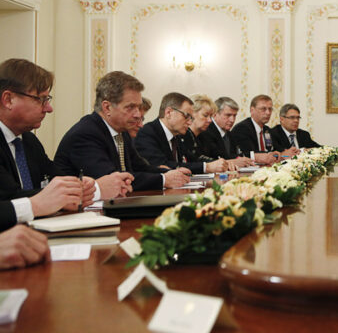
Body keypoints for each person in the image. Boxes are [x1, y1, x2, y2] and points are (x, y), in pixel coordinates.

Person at [0, 59, 132, 226]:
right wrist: (95, 189)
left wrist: (85, 186)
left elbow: (58, 177)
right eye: (41, 99)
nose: (49, 108)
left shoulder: (28, 140)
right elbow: (10, 198)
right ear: (8, 99)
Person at [55, 71, 190, 191]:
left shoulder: (121, 131)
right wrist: (164, 179)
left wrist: (172, 173)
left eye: (138, 107)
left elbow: (140, 167)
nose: (137, 115)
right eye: (130, 107)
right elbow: (114, 180)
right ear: (107, 107)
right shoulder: (86, 134)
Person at [135, 93, 228, 174]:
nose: (189, 122)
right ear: (168, 113)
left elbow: (192, 160)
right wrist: (206, 167)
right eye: (187, 116)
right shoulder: (147, 132)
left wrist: (218, 164)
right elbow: (161, 165)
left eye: (191, 118)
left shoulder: (176, 136)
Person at [196, 96, 253, 168]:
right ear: (215, 114)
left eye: (234, 116)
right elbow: (213, 158)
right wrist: (233, 161)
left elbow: (233, 154)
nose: (232, 120)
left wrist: (240, 159)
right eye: (228, 115)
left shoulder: (229, 134)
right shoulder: (206, 131)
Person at [231, 94, 286, 164]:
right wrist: (269, 154)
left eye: (270, 109)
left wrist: (281, 152)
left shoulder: (267, 130)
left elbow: (274, 149)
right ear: (252, 110)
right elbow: (248, 154)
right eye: (263, 109)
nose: (268, 113)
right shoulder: (242, 128)